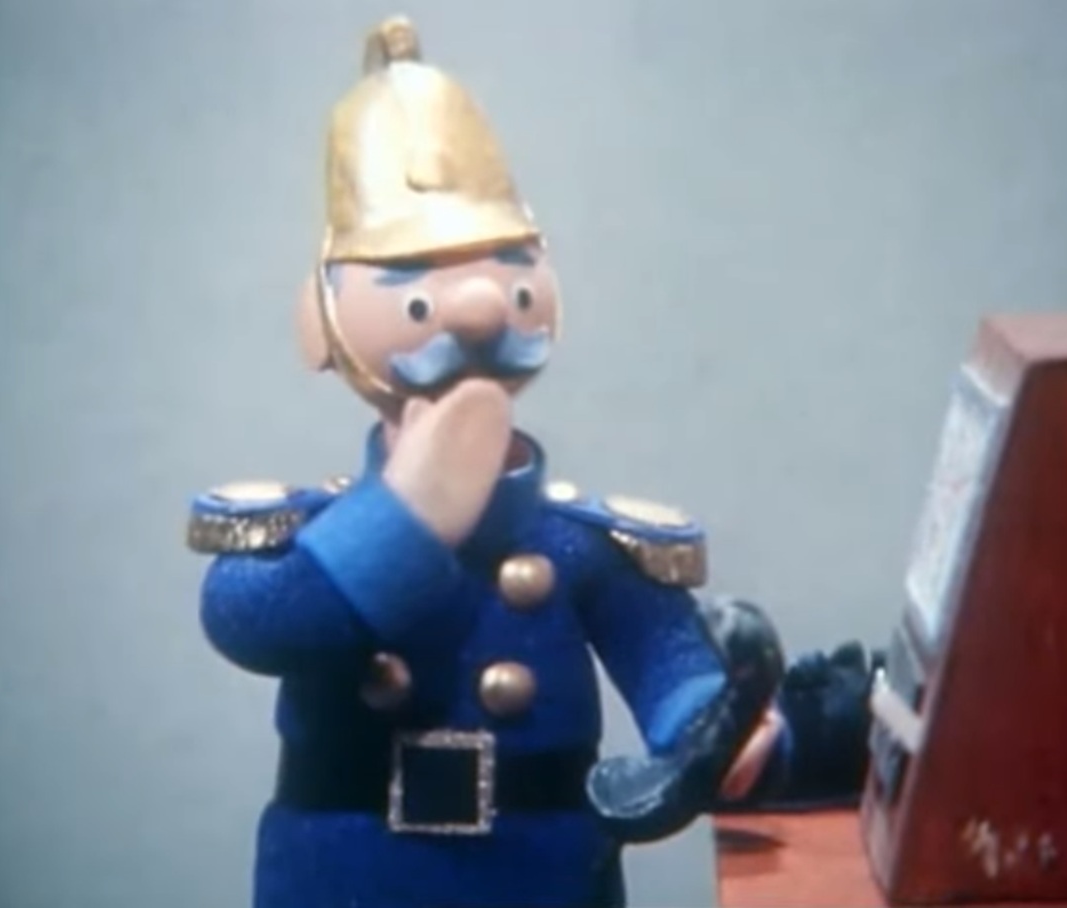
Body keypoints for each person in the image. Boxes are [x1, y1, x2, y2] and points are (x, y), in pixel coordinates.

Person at [186, 16, 795, 908]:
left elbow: (665, 658)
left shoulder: (579, 544)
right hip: (346, 870)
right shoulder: (305, 538)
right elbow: (253, 621)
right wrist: (408, 519)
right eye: (412, 288)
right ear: (320, 320)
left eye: (512, 273)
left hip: (539, 871)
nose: (476, 310)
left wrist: (718, 730)